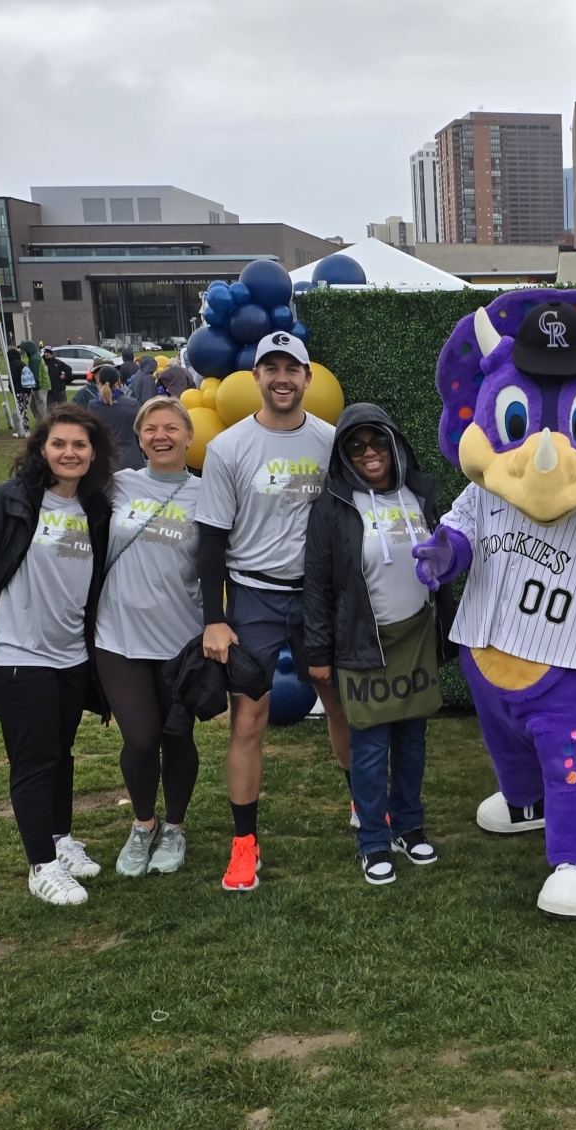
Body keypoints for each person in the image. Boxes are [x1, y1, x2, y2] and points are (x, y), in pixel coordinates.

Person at [0, 406, 114, 906]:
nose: (69, 453)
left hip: (70, 656)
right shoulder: (10, 501)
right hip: (16, 655)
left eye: (80, 445)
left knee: (60, 752)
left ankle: (60, 841)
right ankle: (40, 865)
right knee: (35, 759)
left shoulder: (96, 508)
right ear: (42, 449)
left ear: (93, 453)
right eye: (59, 444)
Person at [196, 330, 343, 892]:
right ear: (256, 377)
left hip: (317, 595)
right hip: (253, 594)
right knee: (249, 718)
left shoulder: (332, 441)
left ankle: (366, 806)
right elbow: (211, 538)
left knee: (338, 701)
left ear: (308, 377)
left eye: (293, 368)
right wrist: (215, 615)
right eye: (271, 368)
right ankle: (244, 846)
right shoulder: (229, 447)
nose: (282, 378)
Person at [304, 404, 456, 885]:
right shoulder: (333, 505)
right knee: (369, 746)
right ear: (344, 454)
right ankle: (373, 838)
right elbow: (318, 584)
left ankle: (410, 827)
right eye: (356, 444)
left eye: (377, 442)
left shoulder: (420, 495)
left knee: (412, 742)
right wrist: (318, 652)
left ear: (394, 445)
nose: (369, 452)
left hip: (416, 635)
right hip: (363, 640)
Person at [95, 396, 204, 879]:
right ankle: (144, 824)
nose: (161, 436)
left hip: (182, 637)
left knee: (177, 734)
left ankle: (175, 827)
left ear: (189, 436)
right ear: (138, 438)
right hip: (117, 634)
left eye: (171, 428)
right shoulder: (117, 485)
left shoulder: (208, 493)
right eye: (151, 429)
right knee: (140, 739)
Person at [87, 366, 144, 472]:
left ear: (98, 381)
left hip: (106, 461)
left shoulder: (93, 406)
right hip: (132, 459)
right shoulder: (132, 404)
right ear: (118, 382)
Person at [20, 341, 53, 425]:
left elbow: (36, 373)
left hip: (40, 385)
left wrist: (36, 386)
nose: (24, 352)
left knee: (41, 407)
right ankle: (40, 423)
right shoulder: (36, 356)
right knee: (33, 405)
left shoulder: (34, 359)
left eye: (25, 350)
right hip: (40, 384)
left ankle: (45, 425)